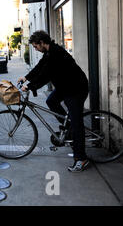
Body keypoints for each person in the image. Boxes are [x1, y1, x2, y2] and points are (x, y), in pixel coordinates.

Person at [18, 31, 90, 172]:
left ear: (42, 42)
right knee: (51, 101)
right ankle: (68, 127)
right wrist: (26, 78)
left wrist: (31, 86)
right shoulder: (49, 53)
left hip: (76, 89)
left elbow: (46, 75)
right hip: (65, 87)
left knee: (77, 125)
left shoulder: (56, 54)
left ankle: (81, 159)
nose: (35, 49)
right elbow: (40, 67)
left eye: (35, 46)